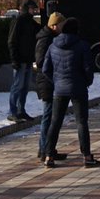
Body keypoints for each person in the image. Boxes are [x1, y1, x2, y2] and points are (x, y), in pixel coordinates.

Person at [40, 17, 100, 169]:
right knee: (81, 122)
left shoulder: (53, 45)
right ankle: (87, 156)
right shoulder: (82, 45)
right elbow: (88, 68)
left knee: (55, 122)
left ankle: (49, 156)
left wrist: (56, 81)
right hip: (78, 88)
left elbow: (46, 69)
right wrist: (87, 81)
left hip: (59, 89)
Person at [34, 12, 68, 162]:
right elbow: (41, 62)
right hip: (47, 82)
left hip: (50, 81)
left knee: (51, 117)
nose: (63, 27)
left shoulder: (50, 37)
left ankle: (48, 148)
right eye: (61, 25)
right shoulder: (46, 39)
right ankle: (44, 150)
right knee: (48, 117)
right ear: (54, 25)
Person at [7, 0, 40, 122]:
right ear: (27, 8)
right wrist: (14, 59)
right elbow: (12, 41)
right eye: (33, 8)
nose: (34, 11)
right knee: (17, 86)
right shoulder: (19, 21)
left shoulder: (30, 22)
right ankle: (12, 111)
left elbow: (40, 30)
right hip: (20, 60)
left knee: (24, 87)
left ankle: (21, 110)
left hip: (28, 59)